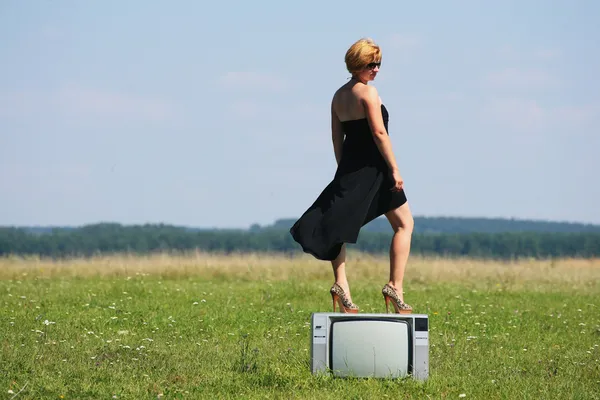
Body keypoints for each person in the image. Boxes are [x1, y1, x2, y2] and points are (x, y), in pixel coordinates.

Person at [290, 38, 414, 314]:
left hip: (349, 168)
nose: (376, 69)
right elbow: (379, 133)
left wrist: (342, 170)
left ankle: (341, 285)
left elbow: (337, 138)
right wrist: (394, 169)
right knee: (404, 225)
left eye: (379, 64)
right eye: (371, 64)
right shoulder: (368, 94)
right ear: (358, 64)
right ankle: (395, 286)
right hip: (376, 169)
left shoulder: (338, 96)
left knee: (338, 222)